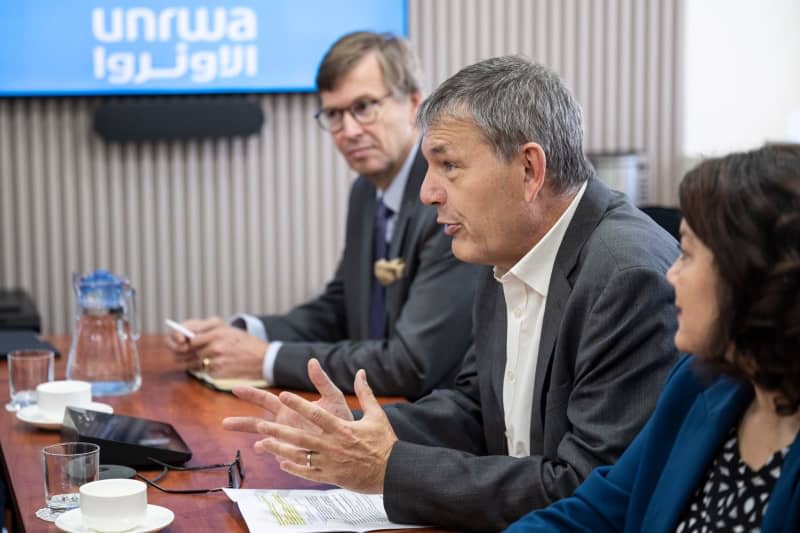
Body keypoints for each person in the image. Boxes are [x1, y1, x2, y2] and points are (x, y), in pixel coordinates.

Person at [223, 55, 682, 532]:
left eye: (448, 165)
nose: (427, 193)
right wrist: (352, 435)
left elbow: (584, 492)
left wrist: (388, 469)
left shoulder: (626, 276)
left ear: (529, 169)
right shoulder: (504, 244)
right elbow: (476, 409)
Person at [165, 32, 479, 399]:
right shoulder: (366, 191)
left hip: (439, 431)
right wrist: (240, 334)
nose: (348, 131)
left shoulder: (445, 200)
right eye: (333, 114)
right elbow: (337, 309)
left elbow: (410, 363)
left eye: (364, 107)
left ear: (413, 104)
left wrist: (266, 359)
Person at [504, 144, 800, 532]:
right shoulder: (697, 384)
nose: (671, 273)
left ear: (750, 275)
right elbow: (596, 512)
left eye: (688, 255)